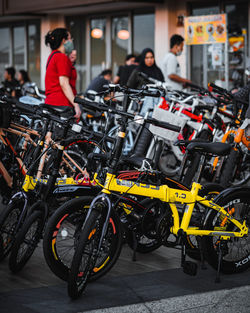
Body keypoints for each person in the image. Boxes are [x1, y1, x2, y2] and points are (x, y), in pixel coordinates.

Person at [44, 27, 81, 120]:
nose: (71, 41)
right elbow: (64, 83)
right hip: (62, 105)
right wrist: (75, 105)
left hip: (50, 103)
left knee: (51, 134)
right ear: (63, 40)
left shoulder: (52, 56)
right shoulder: (61, 57)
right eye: (69, 39)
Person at [127, 48, 164, 116]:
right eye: (147, 58)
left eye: (151, 57)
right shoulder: (138, 71)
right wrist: (137, 99)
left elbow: (162, 86)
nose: (149, 60)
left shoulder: (158, 71)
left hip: (157, 105)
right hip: (140, 105)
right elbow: (129, 87)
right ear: (143, 59)